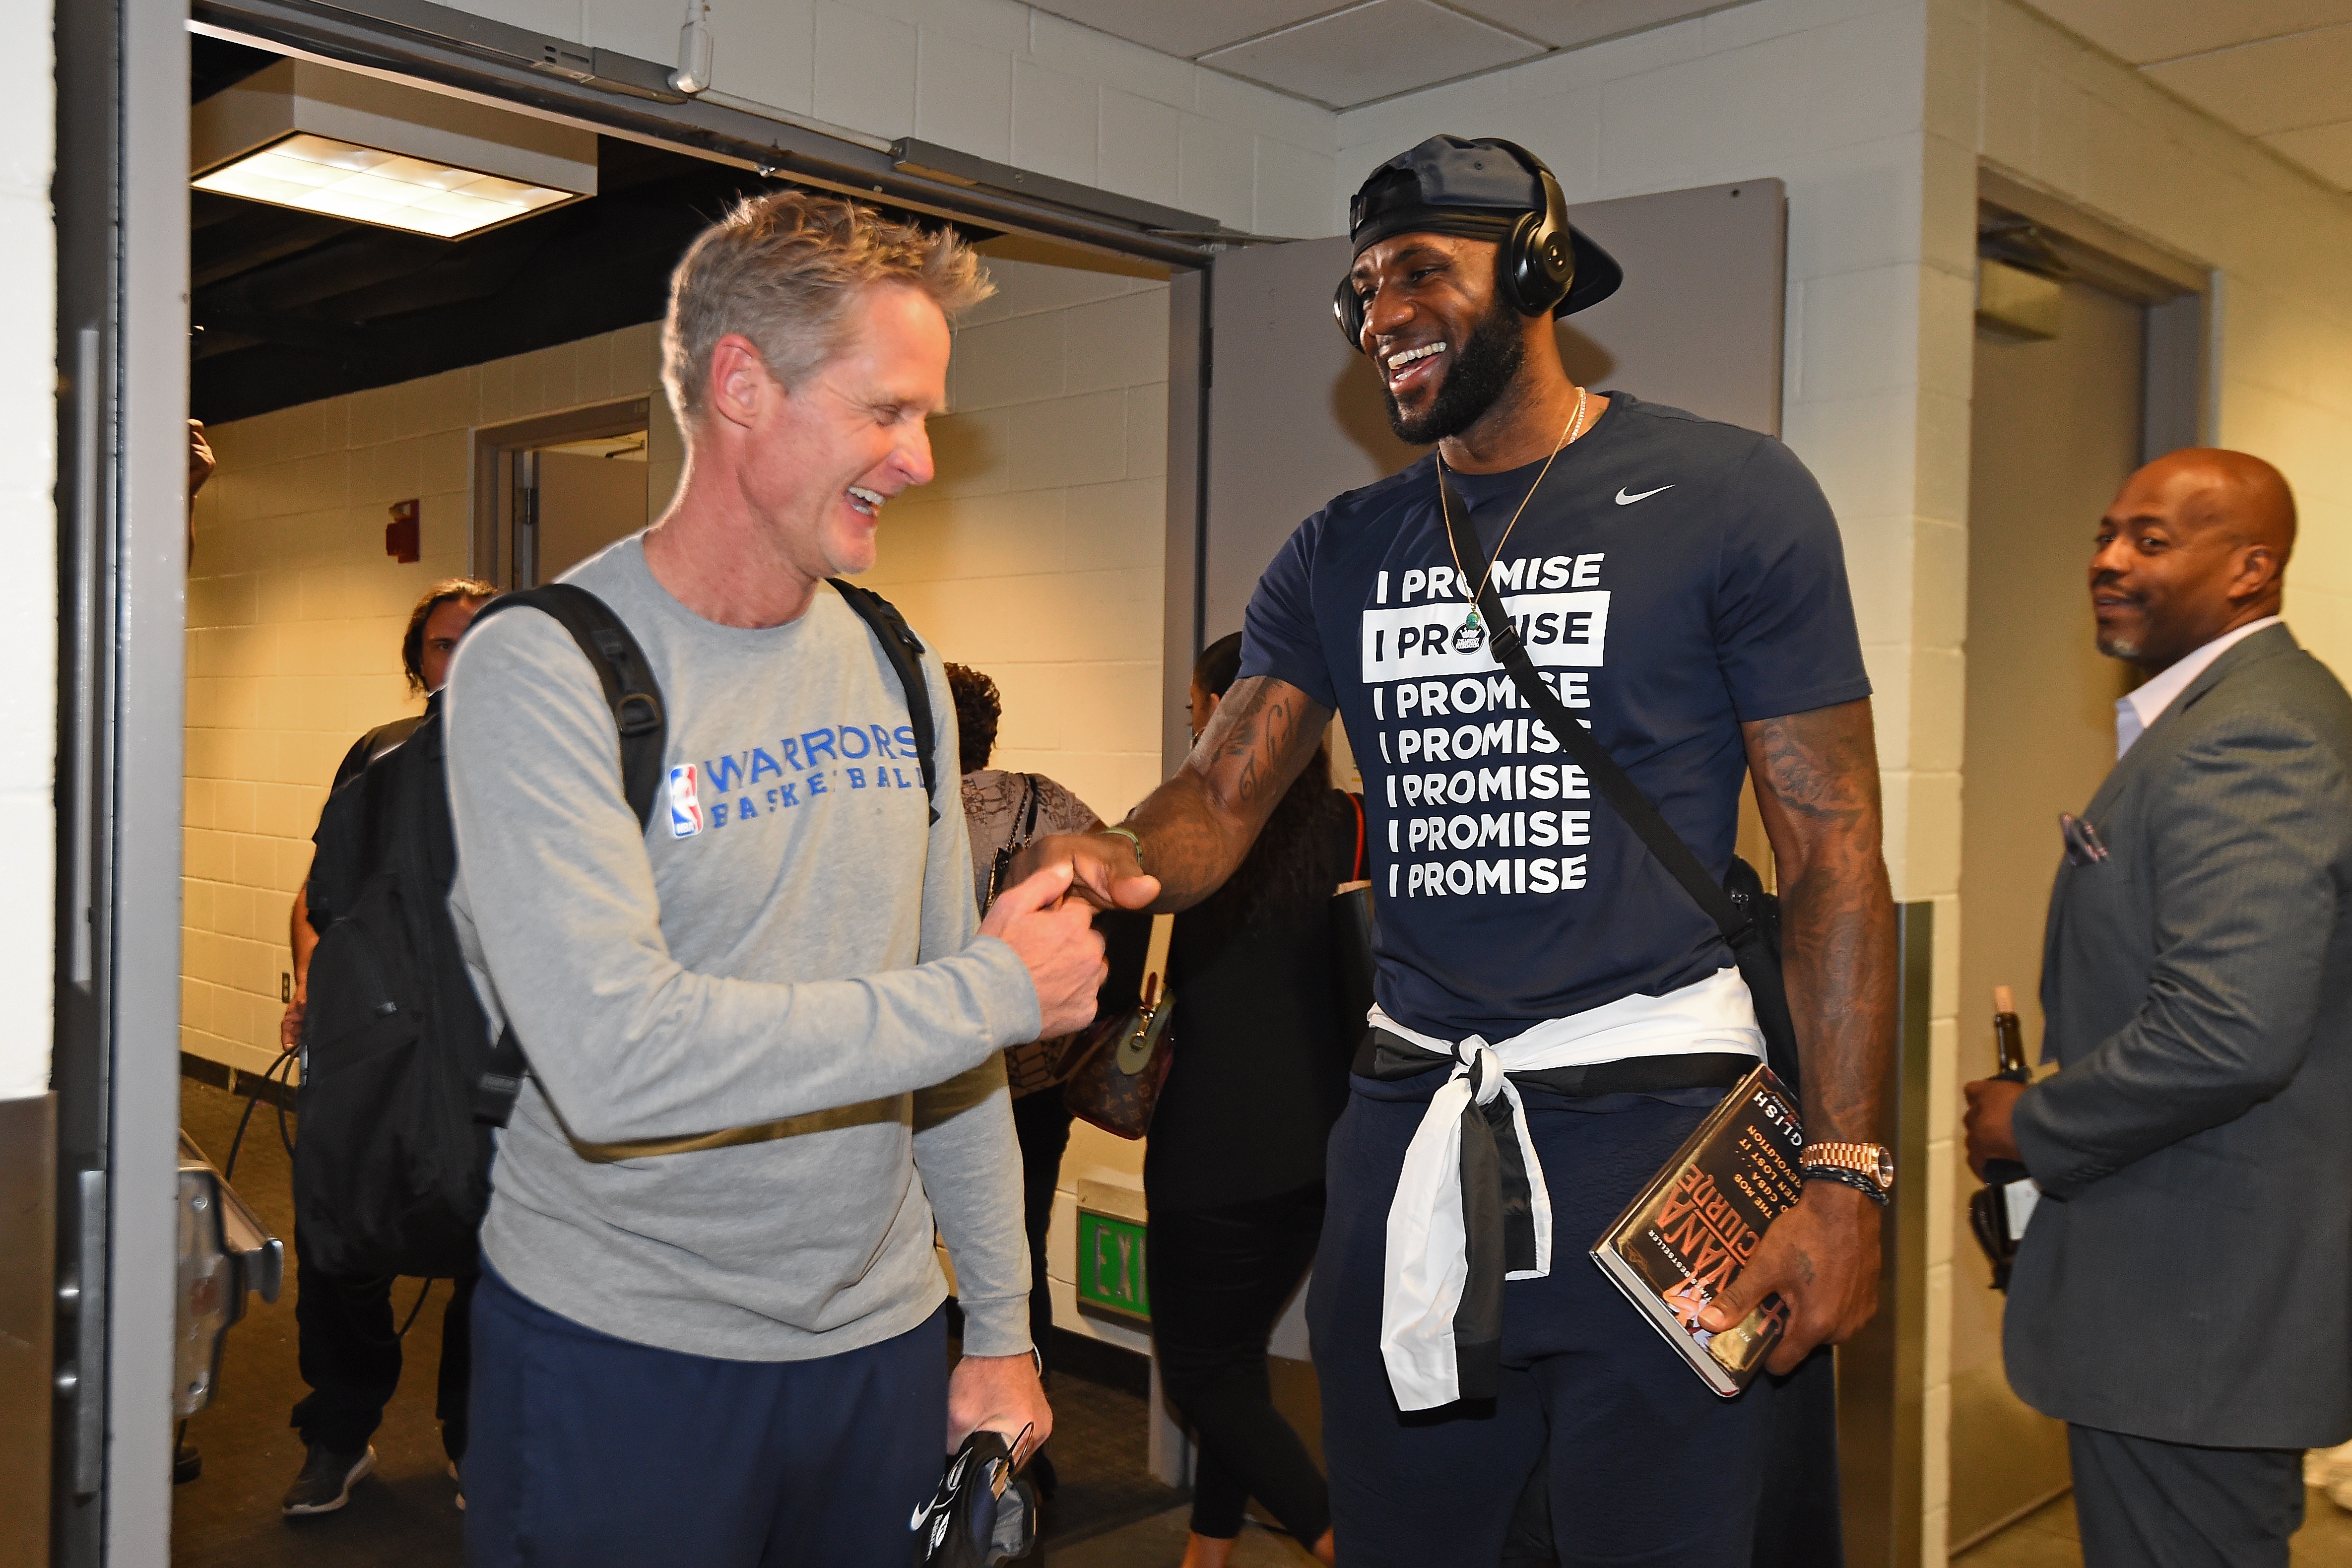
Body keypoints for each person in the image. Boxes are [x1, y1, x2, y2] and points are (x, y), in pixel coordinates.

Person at [1017, 134, 1896, 1567]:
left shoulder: (1732, 496)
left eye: (1419, 272)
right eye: (1360, 292)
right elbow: (1219, 795)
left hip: (1661, 1139)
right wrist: (1099, 856)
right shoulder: (1342, 547)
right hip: (1416, 1134)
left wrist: (1847, 1180)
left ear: (1538, 271)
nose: (1379, 318)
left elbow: (1836, 857)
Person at [441, 191, 1103, 1566]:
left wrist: (996, 1327)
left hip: (874, 1350)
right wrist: (988, 988)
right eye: (887, 413)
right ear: (741, 385)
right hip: (620, 1351)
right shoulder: (541, 665)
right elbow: (616, 1060)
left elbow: (952, 1054)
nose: (919, 461)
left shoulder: (893, 662)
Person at [1964, 449, 2352, 1568]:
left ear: (2250, 569)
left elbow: (2229, 1027)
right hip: (2181, 1305)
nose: (2108, 560)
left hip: (2197, 1312)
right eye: (2105, 533)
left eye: (2150, 539)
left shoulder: (2253, 734)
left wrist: (2027, 1124)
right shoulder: (2220, 716)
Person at [276, 576, 497, 1517]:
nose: (464, 658)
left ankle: (472, 1439)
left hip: (488, 1051)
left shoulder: (549, 754)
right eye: (446, 644)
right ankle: (339, 1432)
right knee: (342, 1235)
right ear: (421, 662)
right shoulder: (378, 756)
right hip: (377, 1039)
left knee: (490, 1250)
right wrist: (318, 997)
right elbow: (315, 896)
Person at [1147, 632, 1353, 1568]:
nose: (1191, 731)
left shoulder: (1180, 844)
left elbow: (1108, 994)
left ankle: (1340, 1540)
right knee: (1234, 1361)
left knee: (1199, 1372)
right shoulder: (1353, 827)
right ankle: (1208, 1553)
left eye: (1197, 715)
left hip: (1209, 1157)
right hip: (1324, 1153)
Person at [946, 657, 1103, 1497]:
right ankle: (1019, 1453)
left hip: (933, 1077)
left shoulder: (907, 809)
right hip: (1033, 1074)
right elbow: (1124, 881)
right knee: (1020, 1256)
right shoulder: (1046, 802)